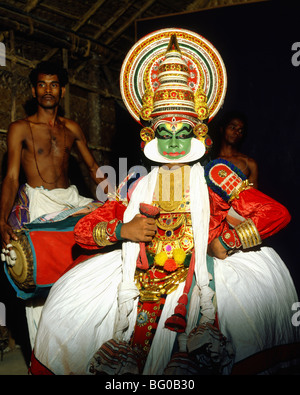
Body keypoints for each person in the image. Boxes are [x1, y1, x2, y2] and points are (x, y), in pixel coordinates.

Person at [30, 30, 298, 375]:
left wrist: (225, 241)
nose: (174, 143)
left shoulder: (215, 175)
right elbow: (83, 231)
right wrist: (123, 229)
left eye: (182, 133)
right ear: (150, 135)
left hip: (201, 278)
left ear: (198, 133)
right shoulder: (138, 183)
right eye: (164, 134)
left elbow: (275, 213)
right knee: (69, 311)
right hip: (140, 278)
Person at [0, 61, 107, 348]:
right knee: (41, 280)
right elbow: (10, 177)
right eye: (42, 85)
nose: (48, 90)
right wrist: (1, 220)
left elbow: (93, 167)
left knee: (98, 247)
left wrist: (116, 198)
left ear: (61, 90)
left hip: (70, 199)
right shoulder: (20, 128)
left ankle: (84, 342)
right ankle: (44, 353)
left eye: (54, 84)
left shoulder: (71, 127)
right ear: (34, 90)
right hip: (39, 202)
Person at [215, 111, 258, 188]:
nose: (236, 132)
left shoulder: (249, 163)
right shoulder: (210, 160)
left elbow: (254, 198)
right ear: (222, 129)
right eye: (233, 128)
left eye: (240, 131)